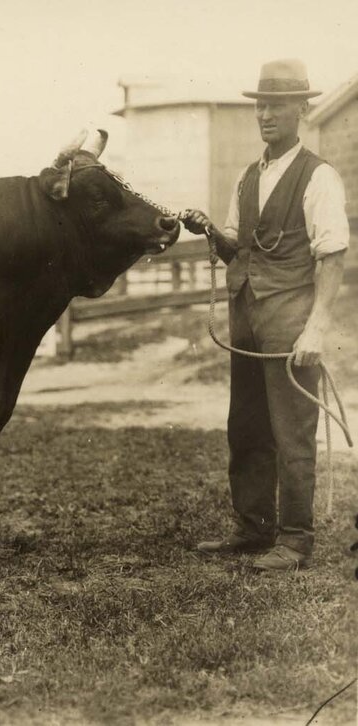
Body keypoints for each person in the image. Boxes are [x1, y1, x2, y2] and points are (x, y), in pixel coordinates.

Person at [182, 58, 349, 571]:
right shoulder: (248, 176)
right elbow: (242, 250)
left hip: (290, 327)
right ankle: (253, 529)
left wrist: (316, 327)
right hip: (246, 321)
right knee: (247, 426)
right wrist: (212, 231)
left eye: (277, 105)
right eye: (261, 105)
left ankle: (295, 541)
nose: (266, 115)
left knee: (291, 433)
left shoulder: (318, 177)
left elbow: (333, 256)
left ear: (302, 108)